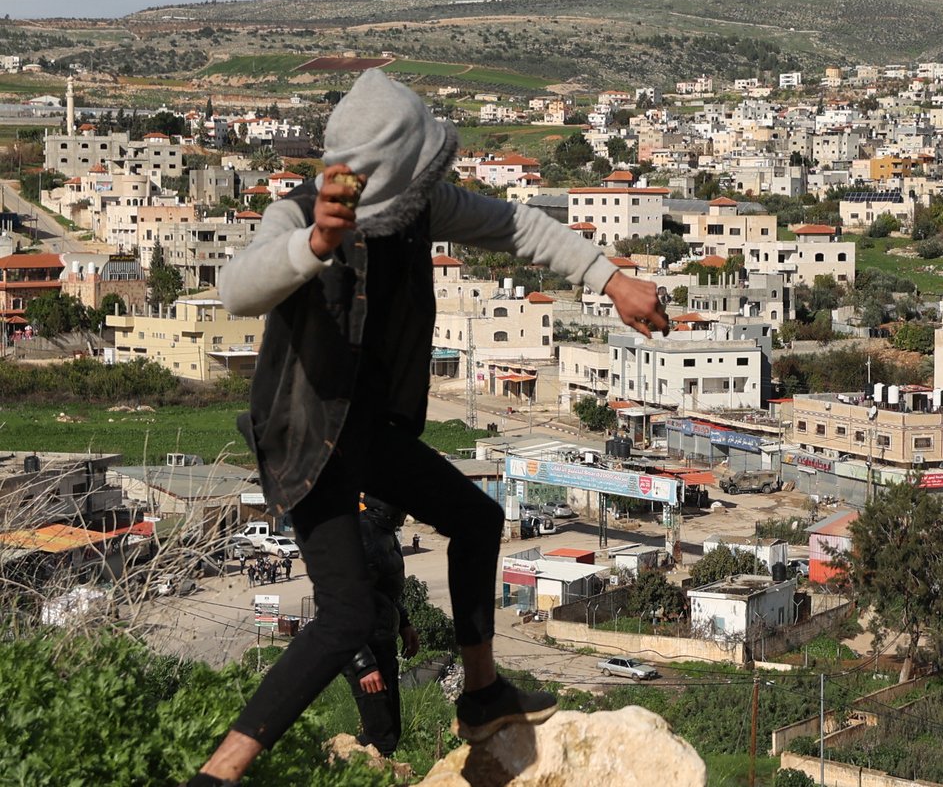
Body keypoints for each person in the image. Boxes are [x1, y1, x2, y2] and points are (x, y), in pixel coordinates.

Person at [183, 70, 667, 787]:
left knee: (477, 519)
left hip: (370, 429)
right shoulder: (298, 216)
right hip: (306, 433)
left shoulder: (418, 210)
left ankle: (481, 695)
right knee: (348, 616)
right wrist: (315, 244)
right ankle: (219, 773)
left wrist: (609, 277)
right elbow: (237, 288)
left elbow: (517, 227)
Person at [346, 496, 417, 757]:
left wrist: (405, 623)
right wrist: (363, 664)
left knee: (390, 733)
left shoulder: (384, 533)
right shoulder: (362, 535)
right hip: (360, 648)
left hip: (382, 641)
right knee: (381, 738)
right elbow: (342, 607)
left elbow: (383, 591)